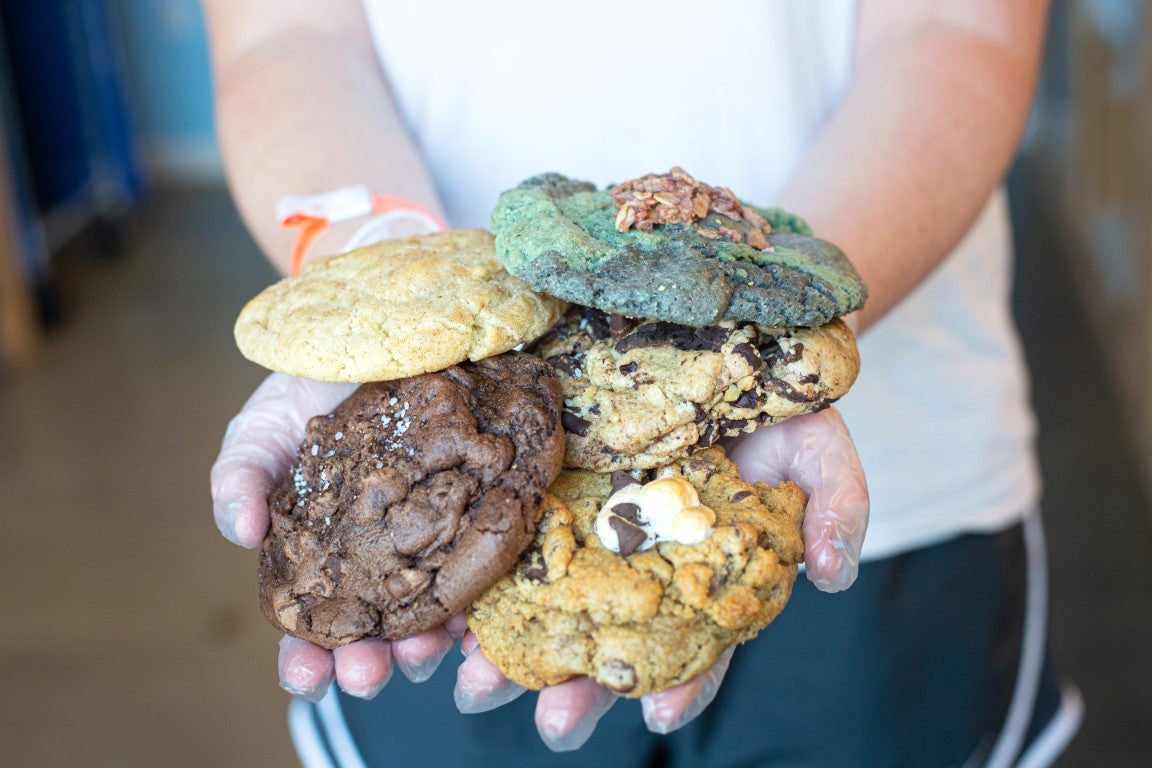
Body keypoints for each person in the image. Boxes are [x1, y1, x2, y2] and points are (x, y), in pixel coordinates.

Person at [205, 1, 1081, 765]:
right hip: (468, 565)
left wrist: (776, 327)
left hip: (902, 491)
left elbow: (956, 28)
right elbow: (287, 36)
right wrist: (387, 295)